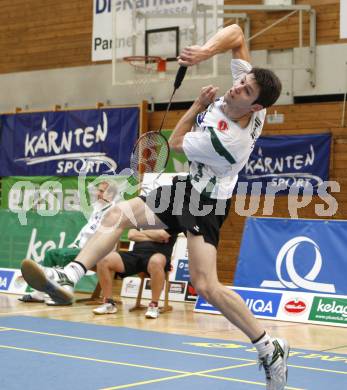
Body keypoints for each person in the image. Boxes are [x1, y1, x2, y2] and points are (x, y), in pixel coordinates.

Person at [21, 24, 288, 389]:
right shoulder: (245, 90)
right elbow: (238, 34)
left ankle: (268, 346)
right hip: (185, 187)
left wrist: (196, 105)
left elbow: (175, 143)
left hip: (205, 202)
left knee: (206, 285)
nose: (237, 85)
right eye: (242, 81)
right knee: (117, 214)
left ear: (255, 107)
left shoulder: (228, 139)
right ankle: (69, 274)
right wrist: (206, 52)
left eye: (246, 89)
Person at [19, 180, 118, 304]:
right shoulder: (98, 208)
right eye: (98, 190)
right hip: (82, 249)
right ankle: (41, 293)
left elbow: (100, 237)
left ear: (111, 194)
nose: (98, 193)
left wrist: (81, 249)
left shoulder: (113, 211)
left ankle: (65, 292)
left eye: (102, 191)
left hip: (96, 253)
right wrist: (75, 245)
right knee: (51, 253)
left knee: (61, 255)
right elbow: (85, 232)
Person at [93, 228, 177, 319]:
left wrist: (141, 233)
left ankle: (154, 305)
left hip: (158, 255)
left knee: (156, 261)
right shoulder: (142, 217)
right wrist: (153, 236)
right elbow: (131, 235)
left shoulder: (171, 218)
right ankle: (108, 303)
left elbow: (162, 236)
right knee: (103, 259)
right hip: (136, 255)